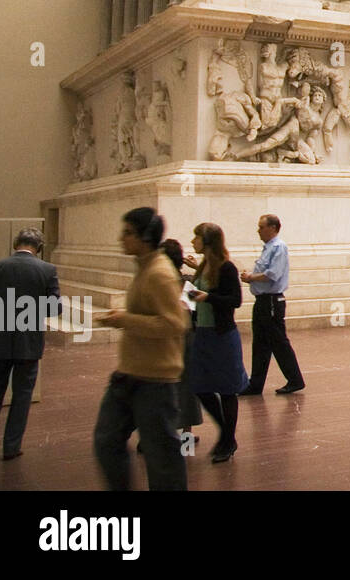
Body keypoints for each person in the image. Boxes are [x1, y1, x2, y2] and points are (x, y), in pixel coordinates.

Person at [93, 208, 188, 490]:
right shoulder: (145, 267)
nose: (121, 238)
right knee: (107, 440)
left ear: (145, 237)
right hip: (131, 374)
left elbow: (175, 324)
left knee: (162, 457)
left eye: (128, 233)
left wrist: (125, 320)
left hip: (155, 380)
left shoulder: (159, 273)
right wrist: (124, 318)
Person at [0, 227, 59, 461]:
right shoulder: (47, 270)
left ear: (15, 244)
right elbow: (54, 308)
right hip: (28, 343)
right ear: (39, 248)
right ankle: (11, 446)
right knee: (22, 397)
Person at [185, 222, 248, 463]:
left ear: (208, 241)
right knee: (200, 386)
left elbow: (235, 300)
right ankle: (226, 433)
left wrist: (208, 297)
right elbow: (197, 295)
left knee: (227, 389)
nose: (193, 242)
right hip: (203, 333)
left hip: (222, 336)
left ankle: (228, 439)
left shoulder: (227, 267)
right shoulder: (204, 267)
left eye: (196, 237)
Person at [239, 214, 305, 395]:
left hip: (272, 302)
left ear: (273, 228)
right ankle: (256, 384)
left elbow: (272, 274)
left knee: (278, 342)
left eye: (261, 227)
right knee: (260, 343)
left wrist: (250, 277)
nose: (258, 230)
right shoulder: (268, 248)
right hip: (263, 301)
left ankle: (295, 379)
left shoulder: (278, 247)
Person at [160, 239, 203, 441]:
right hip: (186, 339)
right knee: (186, 386)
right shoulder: (188, 282)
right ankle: (186, 434)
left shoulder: (158, 284)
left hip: (163, 339)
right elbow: (195, 307)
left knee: (161, 384)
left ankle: (158, 432)